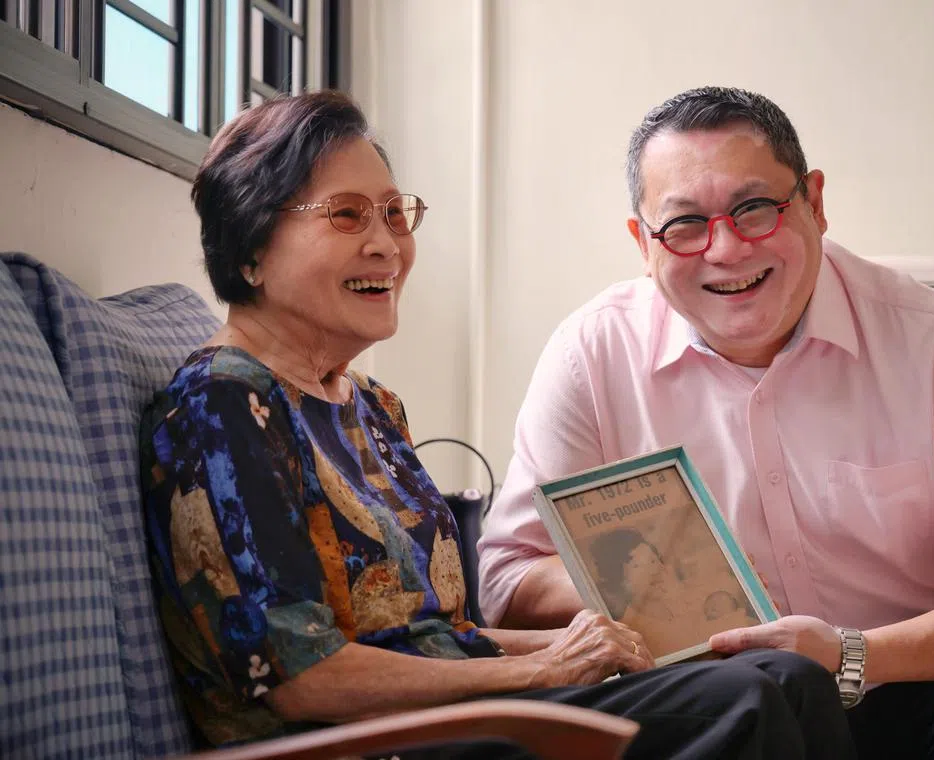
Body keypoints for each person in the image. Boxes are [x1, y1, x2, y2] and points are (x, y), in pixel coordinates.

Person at [139, 90, 857, 759]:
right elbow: (303, 678)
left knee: (785, 672)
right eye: (348, 215)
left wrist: (589, 642)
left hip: (450, 720)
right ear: (249, 250)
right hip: (361, 743)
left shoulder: (370, 407)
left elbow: (436, 638)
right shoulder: (225, 406)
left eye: (395, 213)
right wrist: (542, 669)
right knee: (751, 698)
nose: (389, 245)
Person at [477, 86, 934, 759]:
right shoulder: (591, 354)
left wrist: (852, 655)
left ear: (814, 203)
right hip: (724, 702)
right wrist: (650, 583)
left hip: (921, 680)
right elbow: (508, 580)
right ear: (642, 244)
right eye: (684, 225)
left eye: (755, 208)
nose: (726, 250)